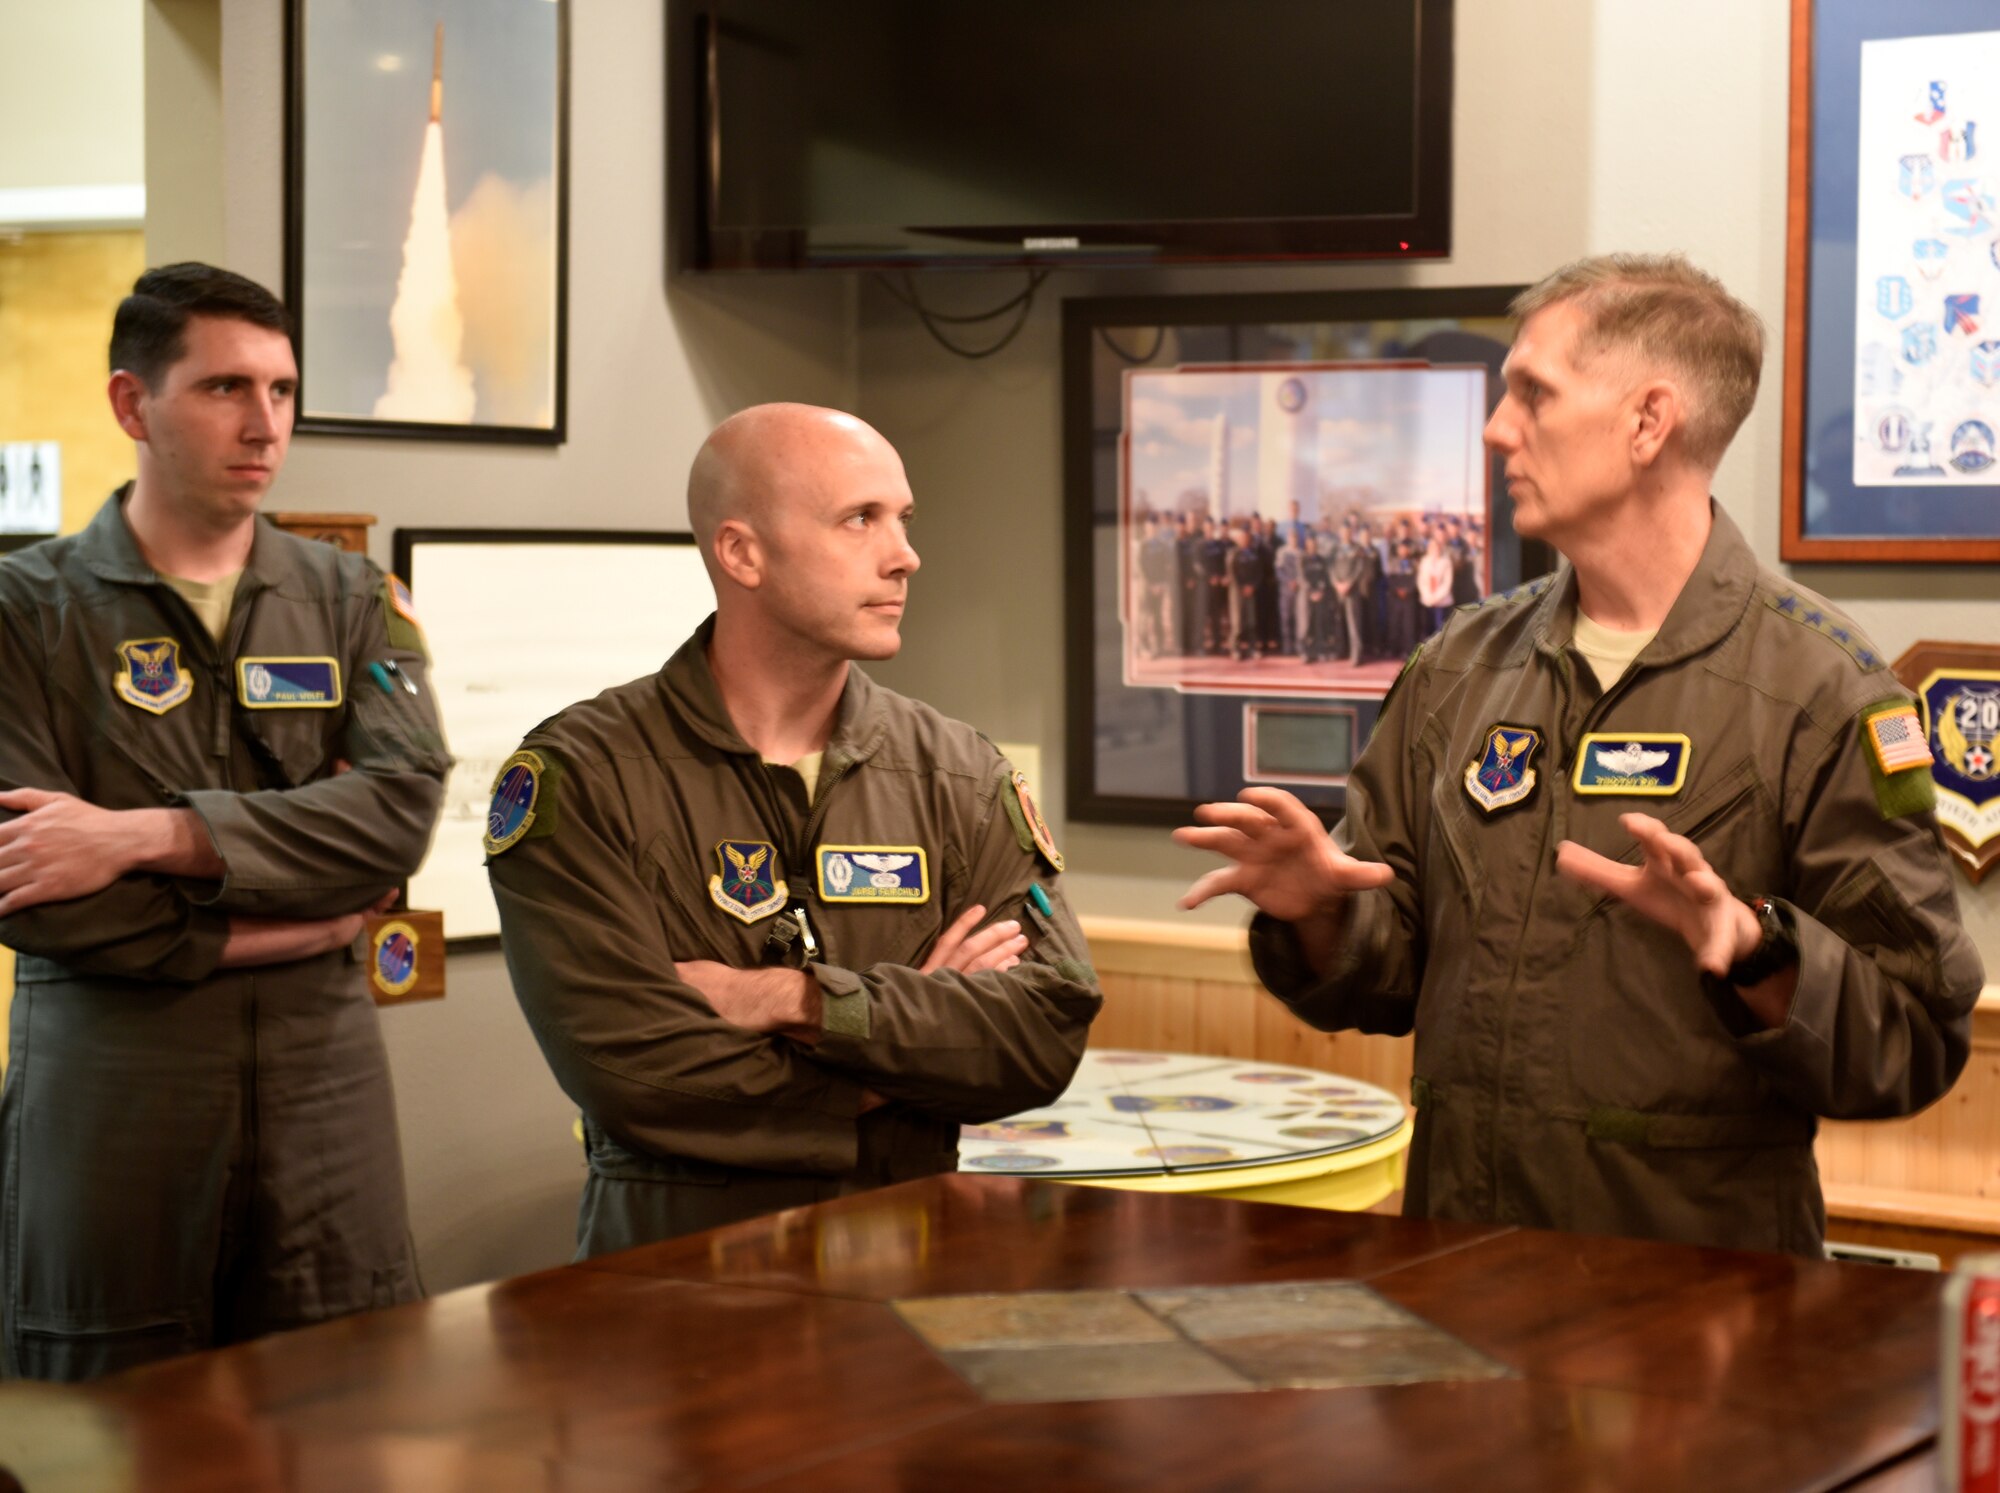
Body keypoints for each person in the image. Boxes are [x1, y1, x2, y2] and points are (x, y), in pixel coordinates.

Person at [1176, 254, 1983, 1255]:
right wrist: (1320, 912)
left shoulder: (1821, 690)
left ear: (1647, 422)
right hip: (1458, 1282)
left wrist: (1759, 950)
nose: (1495, 426)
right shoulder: (1457, 668)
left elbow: (1913, 1036)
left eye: (1532, 393)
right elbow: (1380, 978)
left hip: (1697, 1321)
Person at [487, 404, 1102, 1255]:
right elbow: (633, 1074)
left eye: (904, 519)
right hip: (671, 1291)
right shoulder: (585, 775)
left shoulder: (959, 774)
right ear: (743, 552)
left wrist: (797, 1000)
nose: (905, 555)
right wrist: (910, 1045)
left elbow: (1041, 1032)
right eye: (860, 519)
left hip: (911, 1284)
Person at [0, 263, 449, 1379]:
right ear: (129, 403)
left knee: (344, 1393)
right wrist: (294, 920)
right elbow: (32, 892)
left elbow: (395, 817)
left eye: (283, 390)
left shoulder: (349, 601)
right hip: (113, 1084)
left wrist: (141, 837)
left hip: (322, 1083)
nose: (264, 425)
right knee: (107, 1420)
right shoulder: (25, 612)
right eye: (223, 388)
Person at [1416, 532, 1456, 636]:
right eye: (1432, 546)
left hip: (1442, 602)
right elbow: (1421, 581)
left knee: (1440, 630)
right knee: (1427, 630)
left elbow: (1447, 583)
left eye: (1436, 546)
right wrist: (1428, 597)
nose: (1434, 549)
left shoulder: (1446, 561)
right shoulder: (1424, 561)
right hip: (1427, 601)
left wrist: (1435, 598)